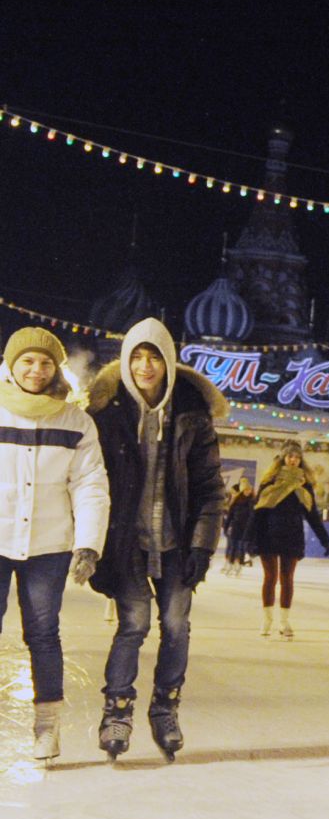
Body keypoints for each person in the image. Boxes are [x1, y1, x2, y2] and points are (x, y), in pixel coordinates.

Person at [86, 317, 225, 761]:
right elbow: (89, 482)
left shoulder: (191, 414)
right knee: (134, 625)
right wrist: (94, 543)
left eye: (155, 357)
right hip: (125, 542)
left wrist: (202, 546)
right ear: (126, 362)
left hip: (176, 540)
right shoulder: (106, 415)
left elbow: (209, 488)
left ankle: (166, 708)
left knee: (176, 625)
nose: (146, 366)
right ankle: (117, 712)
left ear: (168, 362)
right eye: (137, 356)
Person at [0, 328, 110, 761]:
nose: (36, 370)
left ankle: (47, 727)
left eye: (45, 362)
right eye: (27, 361)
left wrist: (88, 544)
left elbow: (90, 485)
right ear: (12, 364)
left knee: (43, 634)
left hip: (49, 544)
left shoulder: (75, 421)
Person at [248, 440, 329, 638]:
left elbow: (312, 515)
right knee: (270, 578)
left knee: (287, 579)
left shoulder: (304, 485)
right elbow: (258, 512)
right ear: (283, 458)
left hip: (292, 535)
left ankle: (284, 622)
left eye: (297, 457)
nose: (293, 460)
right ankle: (267, 620)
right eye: (290, 456)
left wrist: (324, 538)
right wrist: (249, 538)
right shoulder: (270, 481)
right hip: (268, 534)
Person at [221, 478, 254, 575]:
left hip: (246, 529)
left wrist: (250, 529)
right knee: (232, 547)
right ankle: (229, 564)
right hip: (235, 527)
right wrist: (226, 527)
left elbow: (252, 517)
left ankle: (238, 565)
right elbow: (230, 515)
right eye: (246, 490)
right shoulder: (236, 502)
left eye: (249, 490)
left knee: (241, 548)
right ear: (242, 490)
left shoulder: (252, 502)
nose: (248, 492)